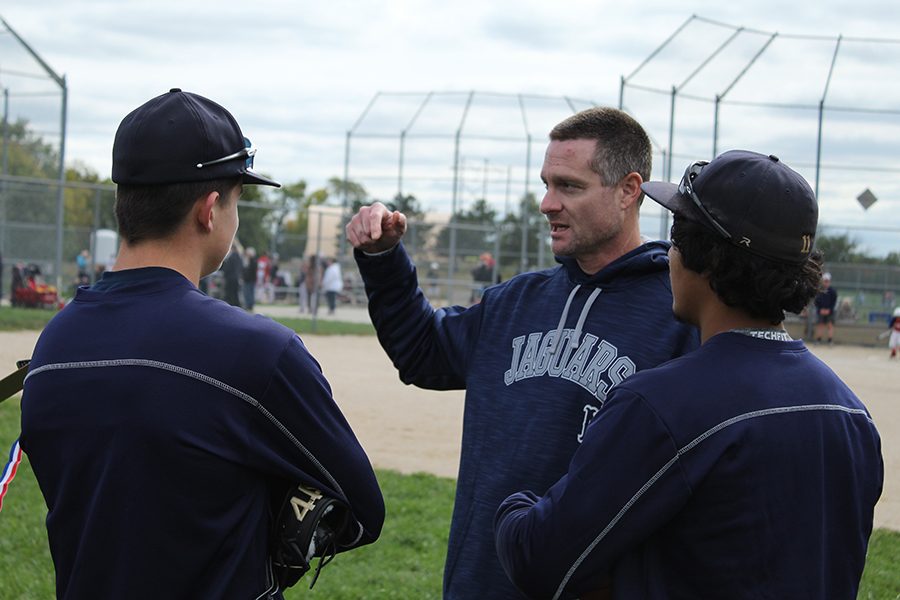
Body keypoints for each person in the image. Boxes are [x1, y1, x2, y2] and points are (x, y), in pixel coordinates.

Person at [20, 88, 384, 599]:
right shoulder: (258, 352)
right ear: (210, 210)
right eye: (237, 200)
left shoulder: (54, 344)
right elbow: (362, 510)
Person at [495, 150, 884, 599]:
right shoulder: (851, 412)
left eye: (677, 242)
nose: (670, 257)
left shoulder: (661, 404)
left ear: (704, 259)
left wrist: (514, 500)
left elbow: (539, 559)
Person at [346, 106, 699, 599]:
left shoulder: (680, 316)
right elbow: (422, 352)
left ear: (628, 190)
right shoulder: (516, 301)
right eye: (546, 183)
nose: (547, 203)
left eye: (569, 186)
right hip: (480, 582)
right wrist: (383, 260)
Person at [814, 272, 838, 344]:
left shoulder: (833, 292)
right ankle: (818, 340)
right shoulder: (819, 291)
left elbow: (834, 303)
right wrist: (820, 309)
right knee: (820, 325)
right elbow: (816, 302)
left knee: (830, 325)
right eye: (825, 281)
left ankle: (830, 340)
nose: (826, 283)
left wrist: (829, 310)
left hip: (829, 311)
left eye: (827, 281)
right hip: (821, 311)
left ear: (829, 281)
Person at [242, 246, 258, 310]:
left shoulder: (253, 261)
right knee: (247, 293)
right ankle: (248, 305)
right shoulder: (248, 260)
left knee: (249, 293)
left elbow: (251, 270)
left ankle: (250, 305)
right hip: (247, 279)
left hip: (250, 279)